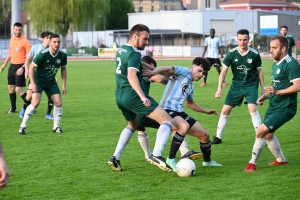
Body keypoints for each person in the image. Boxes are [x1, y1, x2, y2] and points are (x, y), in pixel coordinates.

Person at [108, 24, 175, 173]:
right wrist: (142, 96)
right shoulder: (134, 53)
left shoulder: (122, 49)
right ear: (135, 36)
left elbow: (139, 63)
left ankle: (115, 157)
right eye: (145, 39)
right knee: (168, 121)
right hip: (132, 95)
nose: (147, 42)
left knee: (133, 125)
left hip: (119, 96)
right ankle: (155, 155)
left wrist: (156, 70)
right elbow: (131, 75)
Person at [144, 57, 223, 171]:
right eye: (199, 71)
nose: (201, 74)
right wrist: (153, 72)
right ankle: (171, 159)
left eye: (203, 73)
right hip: (166, 109)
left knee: (205, 135)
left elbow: (190, 104)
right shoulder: (183, 71)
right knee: (183, 126)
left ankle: (207, 161)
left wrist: (206, 111)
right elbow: (165, 68)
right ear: (192, 67)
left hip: (179, 112)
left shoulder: (191, 85)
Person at [244, 35, 300, 172]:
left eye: (274, 48)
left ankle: (252, 164)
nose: (271, 50)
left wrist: (277, 92)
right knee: (268, 135)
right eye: (270, 47)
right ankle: (281, 160)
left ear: (284, 48)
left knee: (261, 131)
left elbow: (298, 86)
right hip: (274, 106)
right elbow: (277, 87)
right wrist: (266, 96)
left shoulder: (291, 64)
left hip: (285, 108)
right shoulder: (276, 64)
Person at [137, 55, 203, 161]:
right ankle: (155, 155)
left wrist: (173, 79)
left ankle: (150, 156)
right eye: (151, 67)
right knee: (173, 124)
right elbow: (158, 77)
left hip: (140, 105)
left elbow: (158, 72)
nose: (153, 70)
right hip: (142, 106)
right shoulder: (141, 73)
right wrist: (173, 80)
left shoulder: (138, 71)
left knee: (175, 125)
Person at [212, 29, 265, 145]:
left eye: (245, 40)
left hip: (251, 85)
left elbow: (259, 71)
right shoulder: (231, 53)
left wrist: (263, 88)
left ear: (248, 40)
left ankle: (259, 135)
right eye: (240, 40)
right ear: (237, 39)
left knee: (252, 108)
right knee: (225, 110)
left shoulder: (254, 54)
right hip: (236, 86)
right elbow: (223, 72)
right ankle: (218, 137)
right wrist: (219, 89)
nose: (242, 42)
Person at [18, 33, 67, 135]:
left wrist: (63, 85)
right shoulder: (42, 54)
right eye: (54, 42)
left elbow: (63, 69)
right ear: (49, 42)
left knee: (58, 103)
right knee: (35, 102)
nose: (56, 44)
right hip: (38, 80)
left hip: (51, 81)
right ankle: (22, 126)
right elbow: (32, 67)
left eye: (58, 42)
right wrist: (33, 83)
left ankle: (56, 127)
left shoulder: (63, 55)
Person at [20, 31, 55, 119]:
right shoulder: (35, 48)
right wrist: (26, 70)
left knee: (52, 93)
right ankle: (23, 109)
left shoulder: (52, 50)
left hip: (47, 76)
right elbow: (28, 60)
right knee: (29, 96)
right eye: (47, 38)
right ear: (42, 39)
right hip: (35, 76)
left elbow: (52, 65)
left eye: (50, 38)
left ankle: (48, 114)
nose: (48, 40)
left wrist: (54, 76)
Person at [0, 22, 32, 114]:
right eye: (16, 30)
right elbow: (10, 54)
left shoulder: (25, 41)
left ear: (22, 30)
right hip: (12, 66)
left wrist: (23, 68)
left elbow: (30, 57)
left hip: (21, 66)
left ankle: (30, 106)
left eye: (19, 30)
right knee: (10, 87)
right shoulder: (11, 40)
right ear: (13, 30)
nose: (18, 31)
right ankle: (13, 109)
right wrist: (4, 64)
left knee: (18, 89)